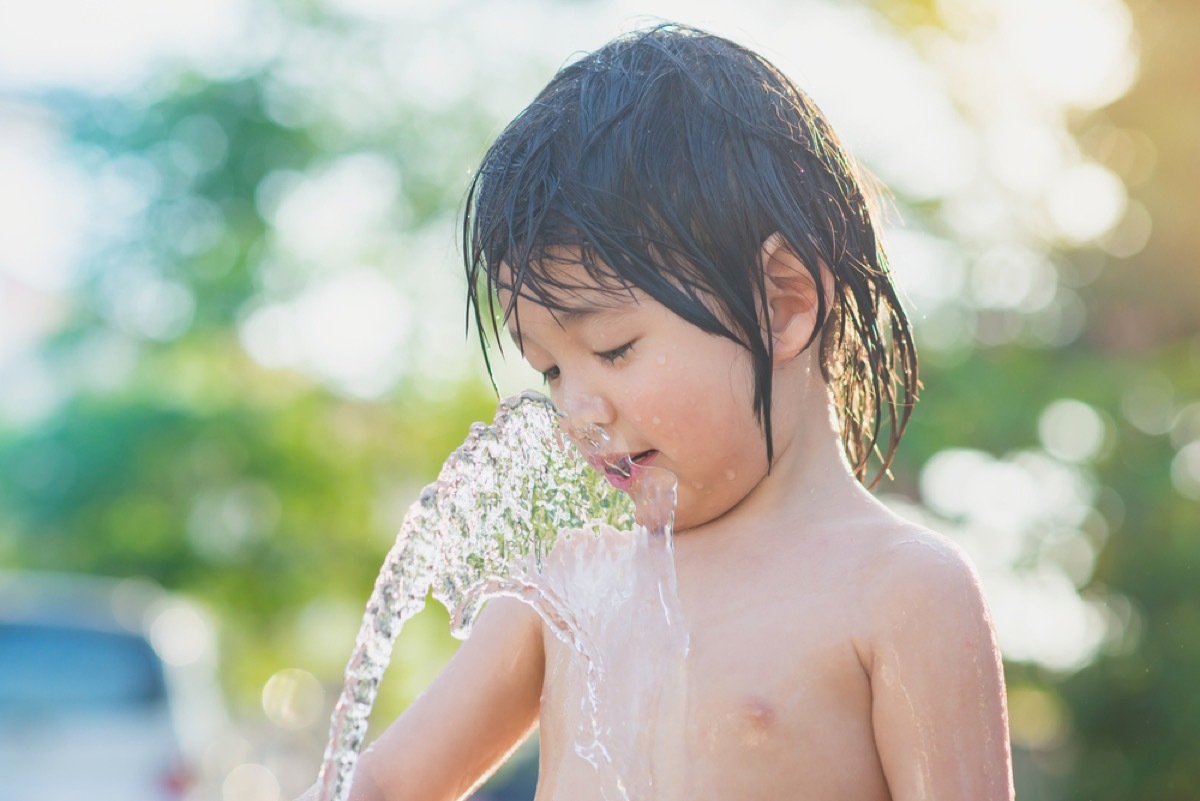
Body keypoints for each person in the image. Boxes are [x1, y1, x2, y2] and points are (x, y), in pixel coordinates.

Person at [305, 23, 1013, 801]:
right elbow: (379, 786)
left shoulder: (901, 590)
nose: (575, 409)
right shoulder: (567, 587)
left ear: (784, 301)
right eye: (548, 369)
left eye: (613, 349)